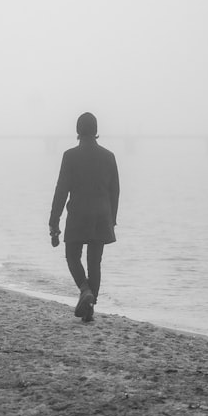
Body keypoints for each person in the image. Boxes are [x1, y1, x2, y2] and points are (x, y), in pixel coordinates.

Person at [48, 112, 120, 323]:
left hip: (78, 214)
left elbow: (61, 190)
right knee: (94, 262)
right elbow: (115, 191)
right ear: (96, 131)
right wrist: (112, 219)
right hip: (101, 216)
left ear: (78, 131)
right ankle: (89, 304)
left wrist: (54, 221)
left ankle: (84, 289)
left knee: (72, 256)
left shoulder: (70, 156)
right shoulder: (109, 157)